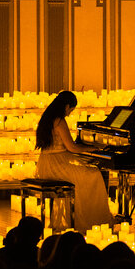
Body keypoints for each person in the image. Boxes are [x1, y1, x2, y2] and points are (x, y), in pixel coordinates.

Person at [35, 90, 113, 234]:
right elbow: (72, 147)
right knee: (93, 175)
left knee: (87, 173)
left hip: (47, 163)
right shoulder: (59, 121)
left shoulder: (47, 118)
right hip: (57, 164)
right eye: (71, 110)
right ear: (66, 106)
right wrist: (93, 148)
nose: (70, 113)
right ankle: (91, 220)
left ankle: (77, 218)